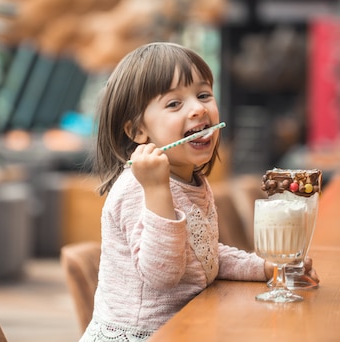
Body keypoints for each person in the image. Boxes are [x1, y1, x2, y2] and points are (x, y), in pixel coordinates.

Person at [82, 42, 319, 341]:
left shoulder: (192, 180)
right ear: (137, 132)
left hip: (190, 326)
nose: (198, 109)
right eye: (174, 104)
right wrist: (157, 190)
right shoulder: (137, 187)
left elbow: (204, 254)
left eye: (204, 95)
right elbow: (163, 275)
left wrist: (268, 268)